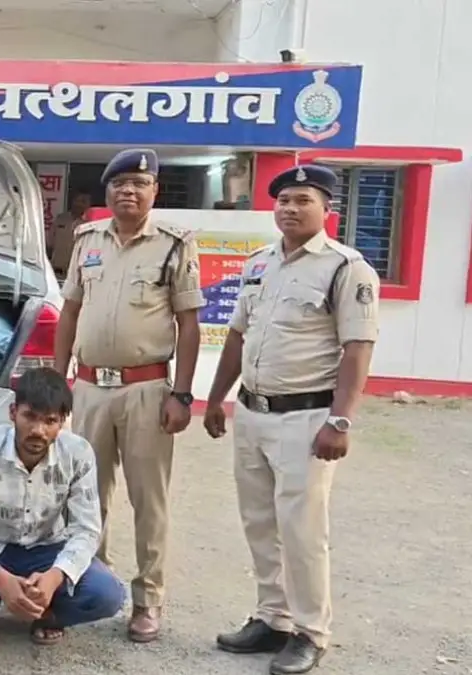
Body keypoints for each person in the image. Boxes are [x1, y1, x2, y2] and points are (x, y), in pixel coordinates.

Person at [203, 165, 379, 674]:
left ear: (328, 210)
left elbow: (357, 348)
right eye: (283, 200)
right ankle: (273, 618)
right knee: (260, 523)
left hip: (306, 418)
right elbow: (238, 335)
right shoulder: (259, 263)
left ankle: (310, 632)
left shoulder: (346, 269)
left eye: (303, 200)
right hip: (252, 412)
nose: (290, 208)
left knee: (302, 531)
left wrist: (340, 421)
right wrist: (216, 398)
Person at [51, 148, 205, 642]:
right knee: (86, 497)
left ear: (154, 191)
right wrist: (58, 379)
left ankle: (147, 600)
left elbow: (188, 323)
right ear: (108, 190)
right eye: (120, 184)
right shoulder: (87, 239)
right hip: (90, 387)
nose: (128, 192)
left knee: (148, 500)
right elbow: (70, 312)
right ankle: (89, 588)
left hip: (147, 389)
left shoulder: (174, 245)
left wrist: (182, 394)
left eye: (139, 184)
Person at [0, 367, 125, 646]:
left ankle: (47, 610)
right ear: (13, 412)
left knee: (109, 595)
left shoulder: (78, 453)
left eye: (50, 421)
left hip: (46, 550)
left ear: (63, 422)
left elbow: (87, 530)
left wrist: (55, 577)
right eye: (30, 417)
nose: (38, 431)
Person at [48, 190, 94, 276]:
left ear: (89, 205)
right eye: (77, 200)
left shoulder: (91, 225)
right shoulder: (61, 218)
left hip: (77, 275)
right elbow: (49, 245)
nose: (79, 204)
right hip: (55, 272)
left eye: (83, 201)